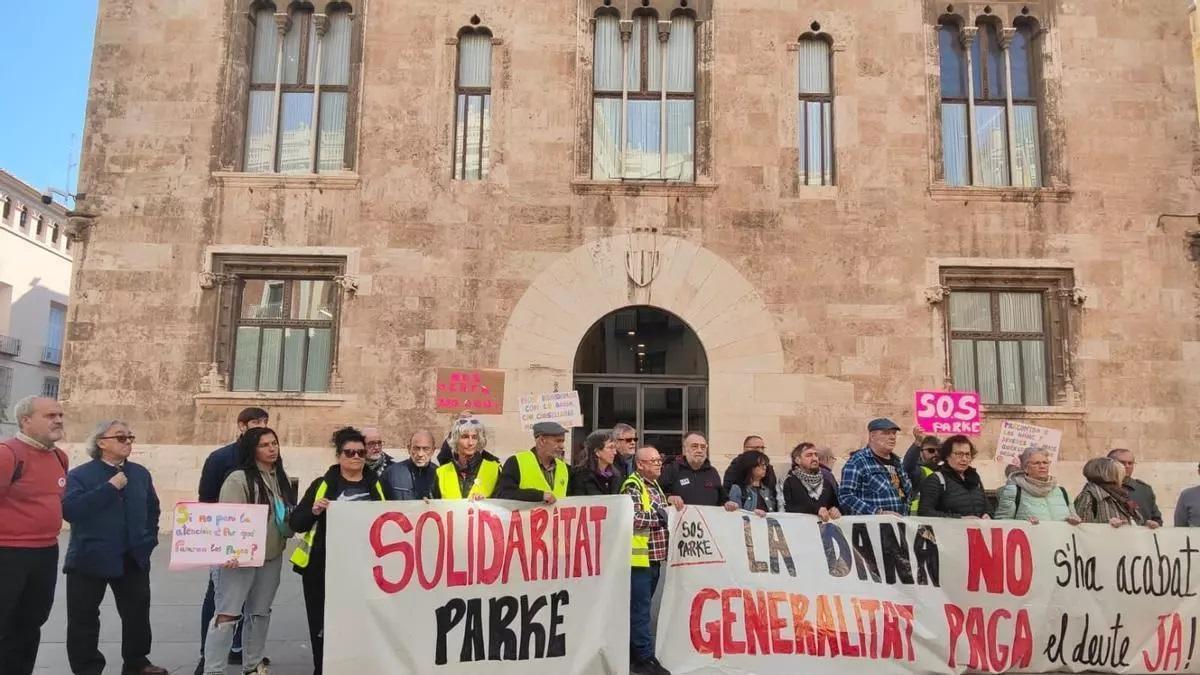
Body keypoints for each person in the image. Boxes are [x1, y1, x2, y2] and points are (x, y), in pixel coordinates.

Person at [62, 421, 166, 675]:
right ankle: (87, 667)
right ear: (101, 443)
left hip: (133, 556)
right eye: (121, 438)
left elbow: (153, 509)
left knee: (137, 614)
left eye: (130, 437)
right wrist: (110, 487)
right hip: (90, 557)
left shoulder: (140, 473)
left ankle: (137, 661)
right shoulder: (80, 475)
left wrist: (148, 539)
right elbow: (71, 510)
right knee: (83, 617)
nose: (128, 442)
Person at [290, 427, 386, 675]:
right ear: (338, 455)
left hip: (364, 571)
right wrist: (314, 510)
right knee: (322, 627)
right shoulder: (322, 485)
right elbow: (296, 523)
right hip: (322, 570)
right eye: (349, 452)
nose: (356, 457)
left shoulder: (377, 486)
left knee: (359, 627)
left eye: (361, 453)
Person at [204, 427, 296, 675]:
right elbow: (229, 519)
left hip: (271, 555)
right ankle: (214, 669)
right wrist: (229, 551)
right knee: (228, 614)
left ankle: (253, 665)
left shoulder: (280, 477)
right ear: (252, 449)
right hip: (240, 559)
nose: (272, 448)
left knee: (259, 613)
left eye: (274, 443)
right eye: (264, 445)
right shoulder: (238, 478)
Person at [195, 406, 270, 674]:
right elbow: (206, 499)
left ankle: (241, 650)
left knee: (254, 602)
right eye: (256, 421)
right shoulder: (221, 458)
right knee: (219, 600)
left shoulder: (268, 460)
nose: (261, 424)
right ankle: (208, 656)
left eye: (264, 421)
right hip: (227, 541)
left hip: (258, 544)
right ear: (241, 426)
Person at [0, 396, 68, 675]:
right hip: (8, 553)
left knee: (32, 622)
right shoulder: (8, 453)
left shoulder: (59, 456)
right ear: (26, 421)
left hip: (45, 552)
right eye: (50, 415)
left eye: (60, 415)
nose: (59, 420)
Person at [623, 446, 673, 675]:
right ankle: (644, 659)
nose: (658, 463)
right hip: (639, 560)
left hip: (653, 557)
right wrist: (659, 517)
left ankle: (636, 655)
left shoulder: (654, 486)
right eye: (652, 461)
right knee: (641, 610)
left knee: (642, 608)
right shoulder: (633, 485)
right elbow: (631, 518)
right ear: (640, 464)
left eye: (659, 459)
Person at [838, 418, 913, 516]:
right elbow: (845, 497)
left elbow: (907, 493)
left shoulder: (897, 462)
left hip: (900, 525)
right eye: (886, 433)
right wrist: (877, 513)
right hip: (872, 527)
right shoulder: (858, 461)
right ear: (872, 436)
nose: (892, 437)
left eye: (894, 433)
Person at [994, 448, 1081, 524]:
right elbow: (1002, 523)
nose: (1042, 466)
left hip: (1061, 542)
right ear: (1025, 468)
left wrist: (1074, 520)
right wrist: (1024, 524)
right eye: (1036, 463)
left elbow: (1074, 516)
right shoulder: (1014, 491)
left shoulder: (1061, 491)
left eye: (1045, 462)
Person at [917, 435, 990, 519]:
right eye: (959, 454)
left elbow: (988, 507)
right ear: (947, 456)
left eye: (967, 454)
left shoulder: (975, 478)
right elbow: (925, 512)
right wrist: (960, 519)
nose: (964, 459)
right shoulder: (936, 479)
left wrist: (987, 515)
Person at [659, 433, 736, 511]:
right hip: (679, 521)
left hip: (708, 521)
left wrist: (728, 504)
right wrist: (669, 498)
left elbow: (722, 500)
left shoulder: (712, 472)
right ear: (685, 449)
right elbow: (656, 495)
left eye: (703, 447)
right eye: (695, 446)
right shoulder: (672, 469)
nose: (699, 450)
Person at [496, 422, 569, 503]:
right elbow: (503, 494)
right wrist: (539, 496)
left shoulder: (564, 468)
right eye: (558, 441)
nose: (562, 446)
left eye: (563, 441)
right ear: (542, 441)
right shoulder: (516, 462)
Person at [1075, 457, 1159, 528]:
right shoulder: (1089, 495)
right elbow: (1081, 528)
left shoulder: (1123, 495)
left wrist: (1146, 524)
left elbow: (1138, 519)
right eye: (1118, 473)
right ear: (1107, 475)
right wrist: (1108, 525)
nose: (1122, 477)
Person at [432, 418, 502, 499]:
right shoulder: (441, 472)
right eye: (465, 437)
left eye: (474, 437)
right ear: (455, 440)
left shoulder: (494, 470)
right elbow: (434, 505)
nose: (470, 443)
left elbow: (502, 505)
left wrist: (486, 502)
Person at [782, 443, 840, 520]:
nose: (814, 458)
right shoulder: (788, 482)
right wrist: (815, 510)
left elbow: (835, 504)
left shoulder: (826, 483)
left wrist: (835, 510)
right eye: (809, 455)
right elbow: (786, 508)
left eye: (816, 455)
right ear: (798, 460)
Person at [1107, 448, 1162, 525]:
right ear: (1109, 464)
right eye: (1122, 463)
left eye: (1130, 463)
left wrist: (1153, 524)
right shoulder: (1098, 489)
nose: (1127, 466)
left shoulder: (1144, 490)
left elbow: (1157, 519)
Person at [381, 430, 438, 500]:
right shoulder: (391, 473)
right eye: (416, 448)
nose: (420, 454)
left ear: (433, 451)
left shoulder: (439, 474)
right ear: (409, 449)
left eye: (426, 449)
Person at [568, 429, 623, 496]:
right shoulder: (580, 476)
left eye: (615, 448)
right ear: (597, 452)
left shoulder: (617, 476)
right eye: (610, 447)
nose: (615, 452)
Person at [727, 450, 779, 515]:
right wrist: (753, 513)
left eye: (765, 464)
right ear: (750, 466)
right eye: (761, 465)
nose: (764, 467)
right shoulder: (737, 489)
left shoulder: (768, 489)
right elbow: (736, 514)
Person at [902, 428, 941, 514]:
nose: (936, 454)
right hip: (917, 516)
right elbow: (907, 466)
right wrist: (918, 443)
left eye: (939, 451)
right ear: (920, 452)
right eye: (931, 450)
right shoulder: (918, 470)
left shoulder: (943, 471)